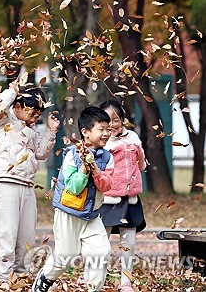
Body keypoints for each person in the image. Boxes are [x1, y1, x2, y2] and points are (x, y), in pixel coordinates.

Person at [32, 106, 114, 292]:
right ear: (85, 132)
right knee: (66, 256)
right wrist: (84, 169)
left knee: (101, 252)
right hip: (69, 212)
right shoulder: (71, 155)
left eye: (108, 129)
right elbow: (74, 187)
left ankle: (93, 288)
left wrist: (94, 168)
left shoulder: (108, 157)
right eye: (101, 129)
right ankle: (45, 278)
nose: (106, 134)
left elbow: (106, 186)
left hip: (92, 216)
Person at [0, 77, 60, 282]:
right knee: (6, 233)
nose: (35, 117)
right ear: (18, 106)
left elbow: (40, 154)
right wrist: (12, 90)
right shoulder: (3, 121)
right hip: (6, 182)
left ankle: (20, 275)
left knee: (26, 236)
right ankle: (2, 277)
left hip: (27, 185)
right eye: (32, 112)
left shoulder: (32, 130)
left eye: (39, 114)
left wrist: (51, 132)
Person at [98, 100, 146, 292]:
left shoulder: (133, 137)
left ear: (122, 119)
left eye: (116, 119)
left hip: (130, 198)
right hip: (108, 199)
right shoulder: (102, 140)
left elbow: (141, 161)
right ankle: (95, 278)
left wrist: (140, 164)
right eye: (107, 120)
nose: (112, 125)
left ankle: (125, 282)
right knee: (101, 242)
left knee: (129, 244)